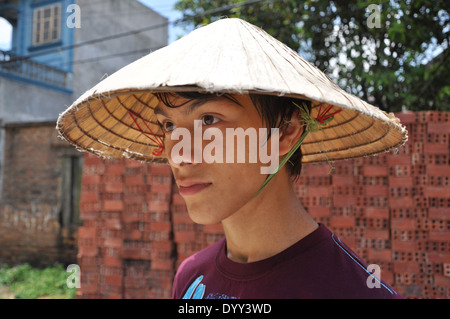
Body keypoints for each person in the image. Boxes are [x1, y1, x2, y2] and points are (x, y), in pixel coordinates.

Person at [57, 18, 407, 299]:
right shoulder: (192, 277)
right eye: (167, 125)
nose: (178, 155)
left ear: (284, 133)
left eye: (209, 120)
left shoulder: (351, 290)